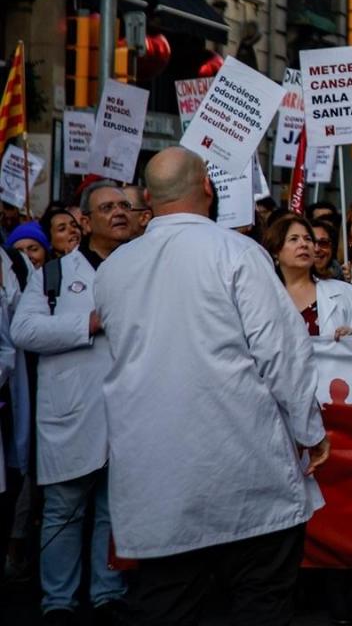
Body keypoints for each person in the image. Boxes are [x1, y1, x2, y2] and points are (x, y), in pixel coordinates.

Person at [96, 147, 328, 626]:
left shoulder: (114, 269)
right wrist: (310, 431)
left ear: (145, 198)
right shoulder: (236, 252)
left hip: (156, 479)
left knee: (170, 605)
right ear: (207, 187)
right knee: (259, 602)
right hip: (243, 469)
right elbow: (283, 352)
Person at [11, 180, 134, 624]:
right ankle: (58, 601)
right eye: (107, 207)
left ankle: (108, 593)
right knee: (64, 511)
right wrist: (90, 323)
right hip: (72, 415)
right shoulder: (55, 276)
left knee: (113, 510)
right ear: (84, 220)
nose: (119, 212)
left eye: (124, 204)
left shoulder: (142, 269)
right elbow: (23, 332)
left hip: (127, 414)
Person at [264, 213, 352, 341]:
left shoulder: (347, 293)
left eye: (308, 239)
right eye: (294, 239)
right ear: (276, 251)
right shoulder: (262, 298)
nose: (303, 244)